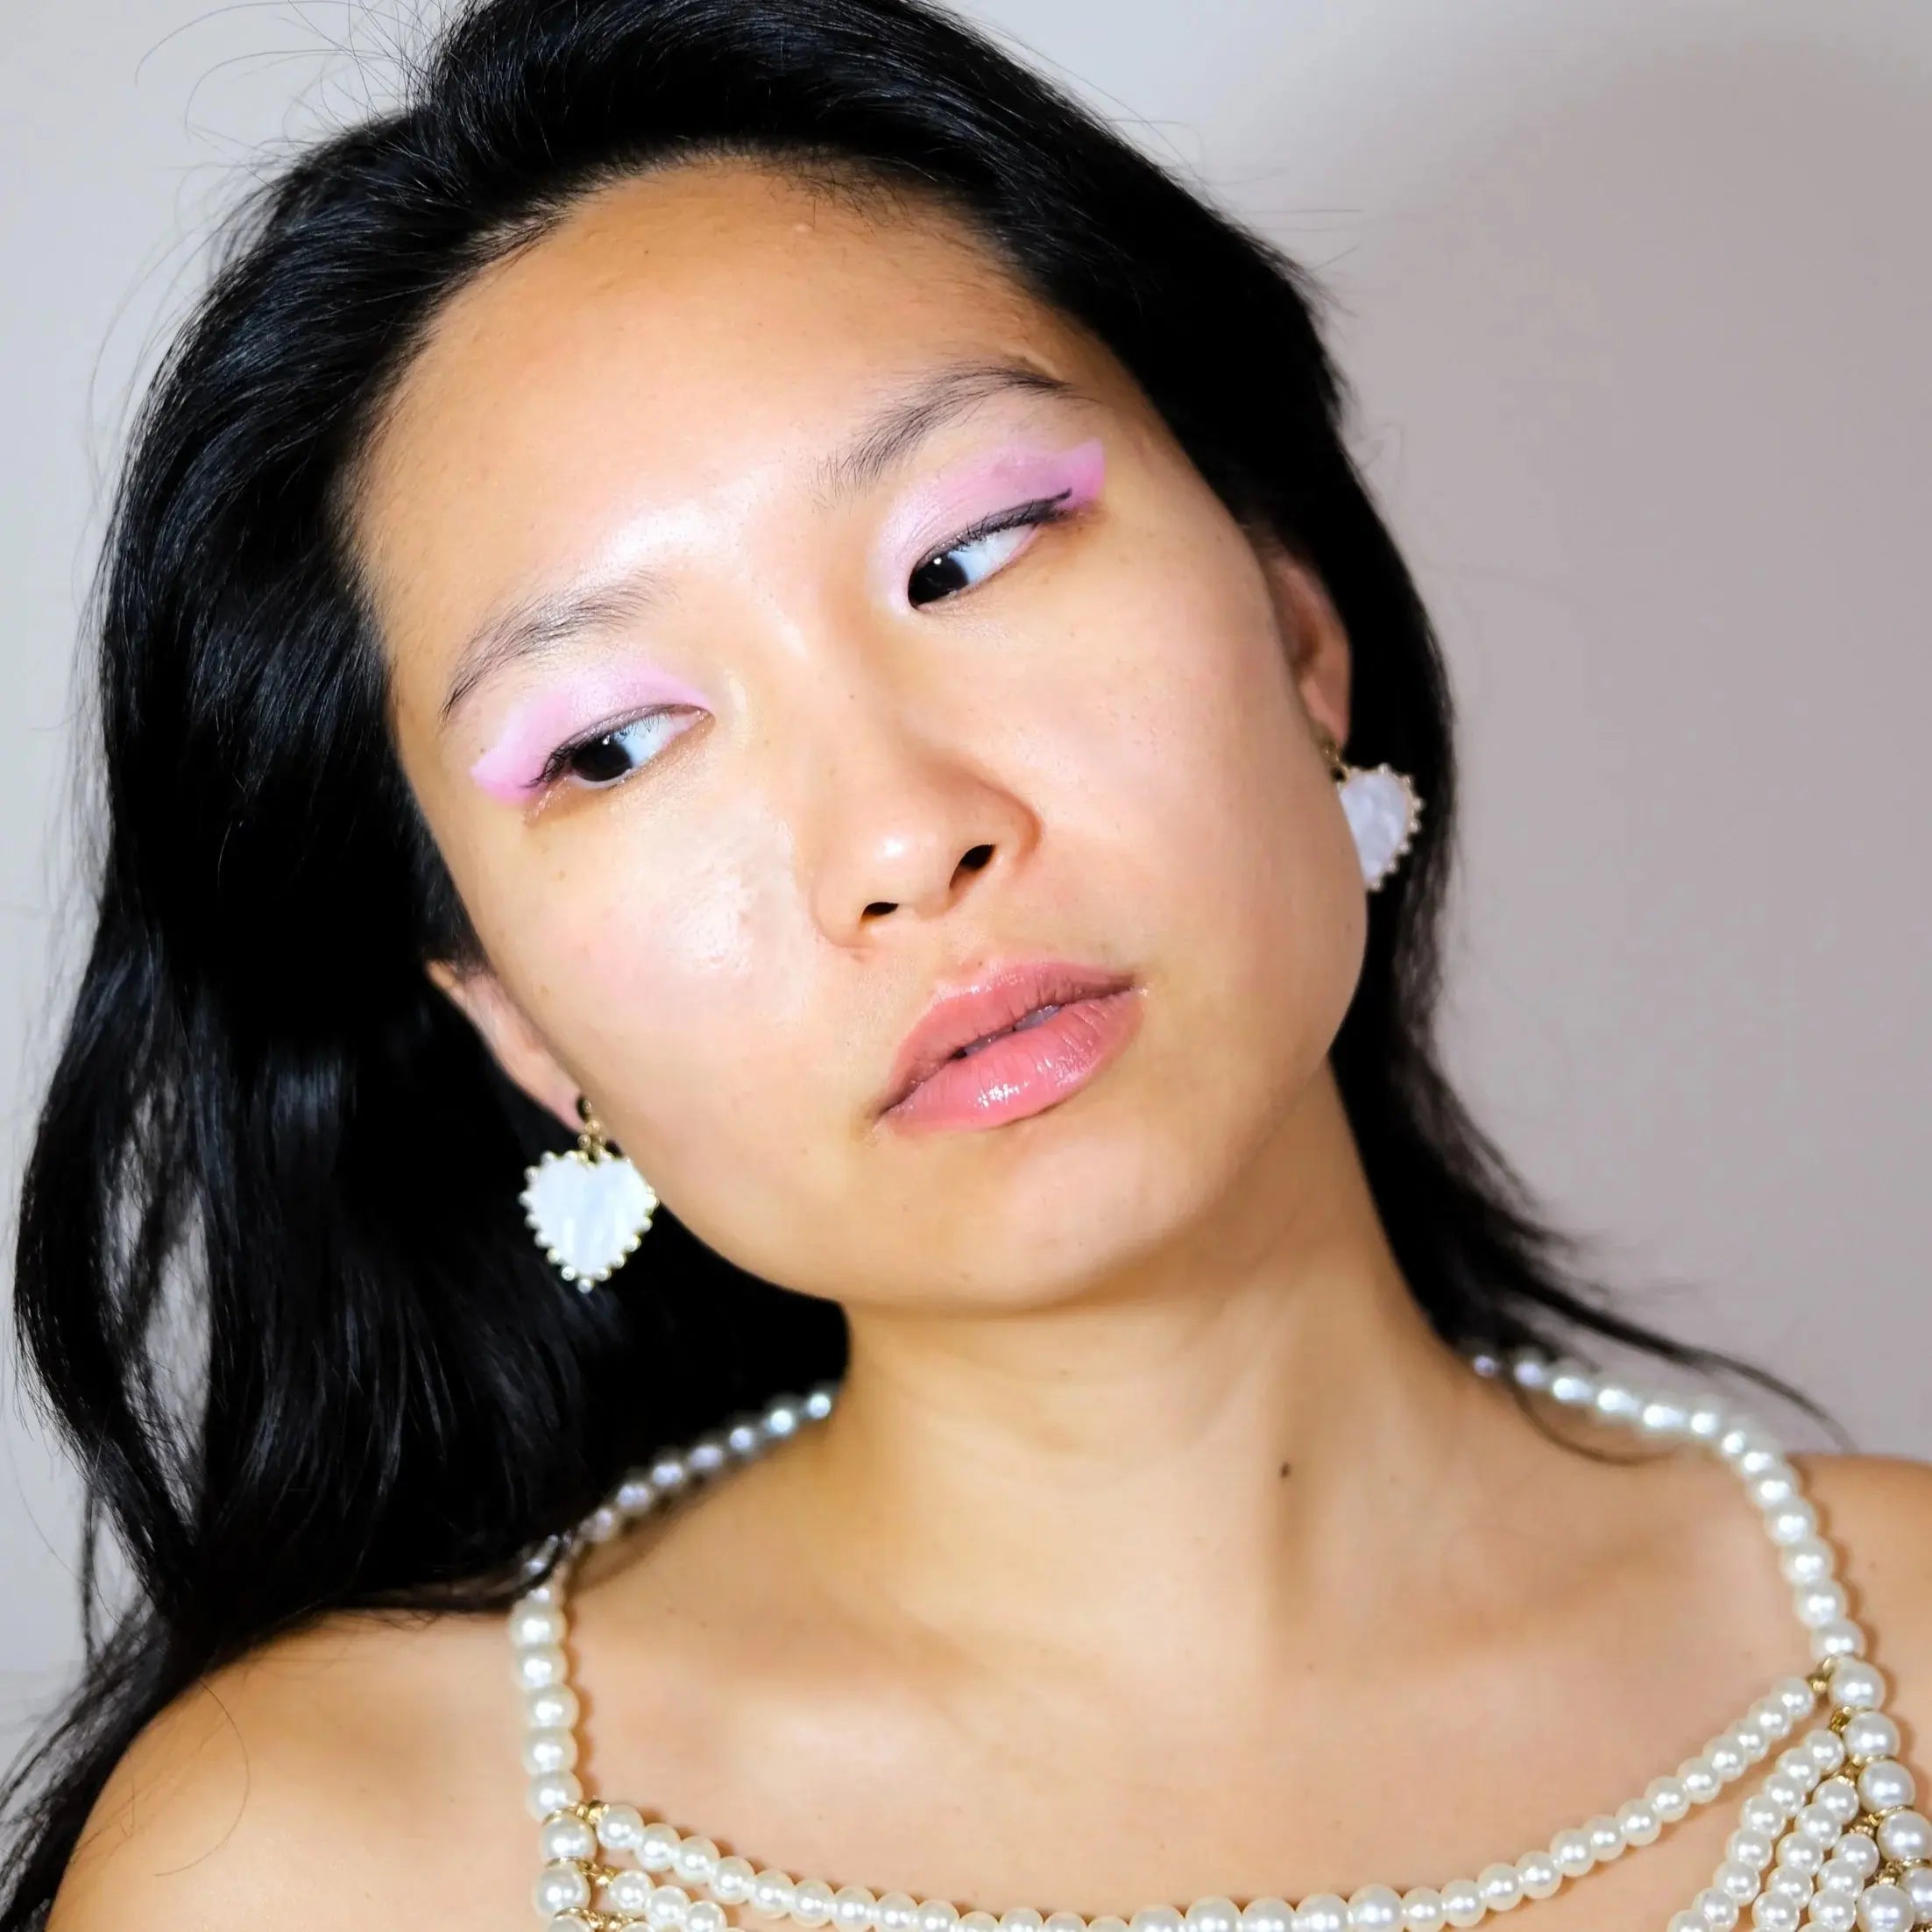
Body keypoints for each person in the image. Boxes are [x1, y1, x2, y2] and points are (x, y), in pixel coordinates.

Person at [5, 1, 1928, 1928]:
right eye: (615, 742)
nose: (904, 840)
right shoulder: (323, 1860)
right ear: (510, 1014)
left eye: (973, 552)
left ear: (1294, 627)